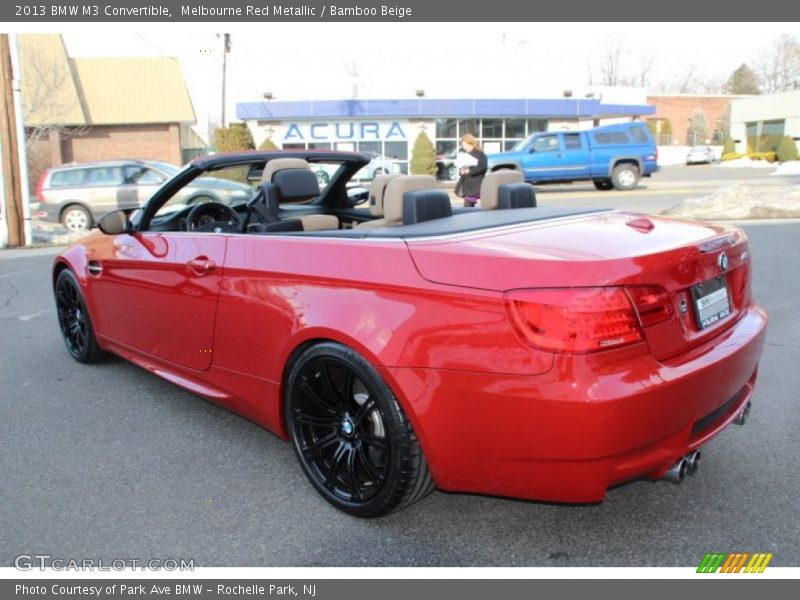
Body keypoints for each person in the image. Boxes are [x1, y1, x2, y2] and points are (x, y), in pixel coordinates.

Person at [455, 134, 487, 207]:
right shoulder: (465, 154)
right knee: (467, 206)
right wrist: (461, 171)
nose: (464, 147)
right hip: (467, 185)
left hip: (476, 184)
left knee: (468, 207)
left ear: (471, 143)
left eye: (465, 144)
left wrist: (469, 170)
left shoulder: (480, 154)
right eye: (463, 145)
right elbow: (461, 167)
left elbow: (483, 167)